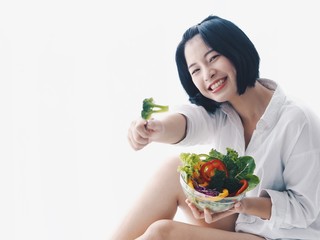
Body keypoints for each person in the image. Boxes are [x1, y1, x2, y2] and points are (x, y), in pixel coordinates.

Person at [110, 15, 320, 240]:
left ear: (236, 51)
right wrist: (156, 128)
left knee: (162, 233)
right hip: (242, 225)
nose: (207, 73)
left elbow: (304, 210)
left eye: (213, 58)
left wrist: (240, 204)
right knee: (176, 169)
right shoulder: (222, 112)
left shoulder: (297, 119)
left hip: (282, 236)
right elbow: (189, 121)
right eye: (195, 70)